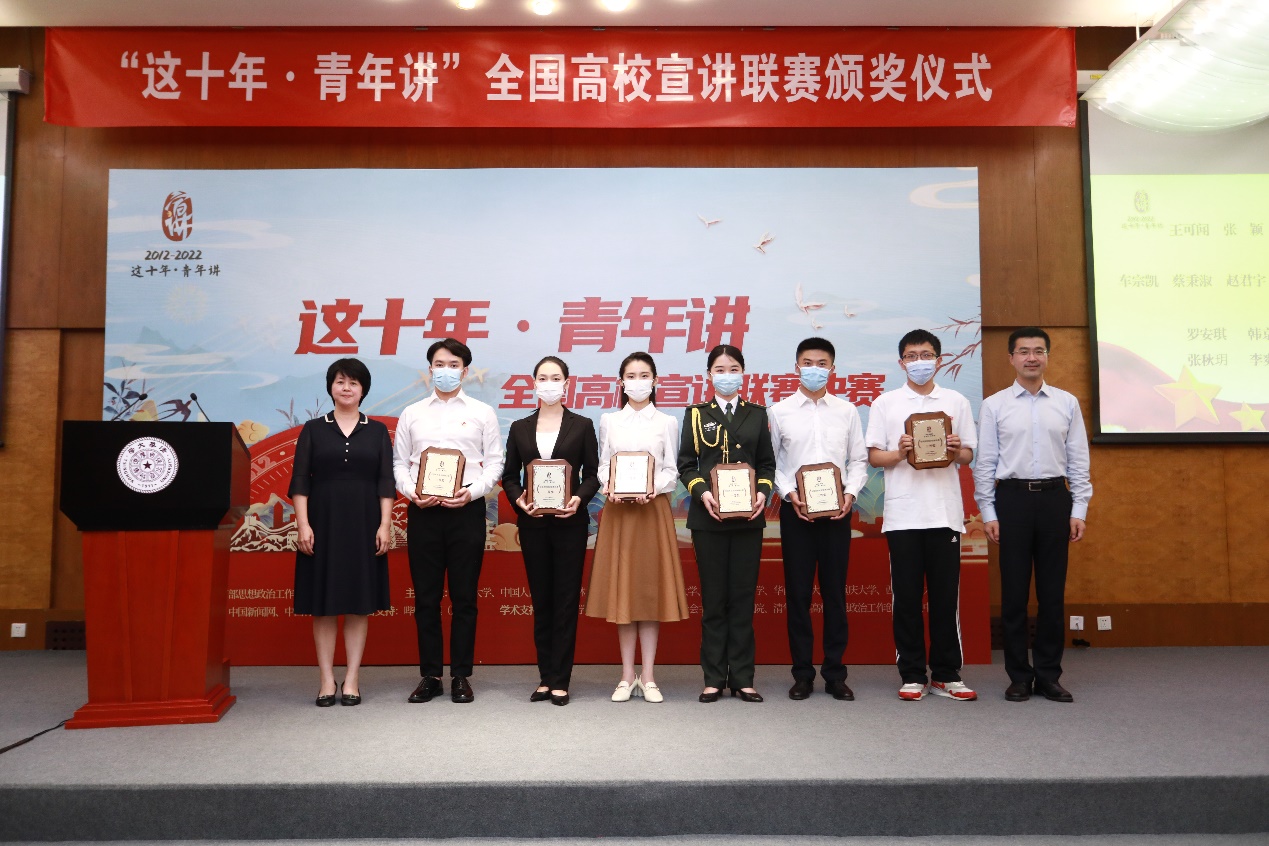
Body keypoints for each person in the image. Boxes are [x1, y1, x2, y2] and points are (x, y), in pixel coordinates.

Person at [973, 327, 1092, 703]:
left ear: (1047, 357)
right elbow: (985, 463)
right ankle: (1019, 677)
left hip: (1056, 500)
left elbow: (1078, 460)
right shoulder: (994, 405)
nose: (1031, 357)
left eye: (1039, 351)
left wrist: (1079, 508)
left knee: (1052, 595)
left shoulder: (1066, 403)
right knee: (1013, 596)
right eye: (1023, 351)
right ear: (1011, 358)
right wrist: (988, 512)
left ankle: (1049, 675)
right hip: (1012, 501)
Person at [866, 329, 978, 702]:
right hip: (903, 516)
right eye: (912, 356)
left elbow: (968, 455)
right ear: (901, 363)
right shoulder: (886, 403)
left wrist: (956, 448)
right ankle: (913, 674)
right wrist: (899, 452)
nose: (919, 362)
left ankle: (946, 675)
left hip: (945, 514)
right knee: (907, 599)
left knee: (946, 599)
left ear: (939, 360)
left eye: (926, 355)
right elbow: (875, 457)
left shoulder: (956, 401)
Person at [393, 338, 504, 704]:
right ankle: (430, 675)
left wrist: (471, 493)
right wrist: (412, 492)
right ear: (430, 370)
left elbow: (494, 463)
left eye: (453, 365)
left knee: (464, 597)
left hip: (466, 512)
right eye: (439, 364)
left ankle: (460, 675)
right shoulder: (411, 413)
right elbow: (399, 464)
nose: (446, 371)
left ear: (465, 371)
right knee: (426, 598)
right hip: (424, 512)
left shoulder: (482, 412)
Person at [288, 358, 394, 707]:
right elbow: (300, 481)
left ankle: (352, 678)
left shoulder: (377, 431)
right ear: (330, 387)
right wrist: (303, 524)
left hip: (364, 522)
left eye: (353, 383)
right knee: (324, 605)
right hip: (322, 523)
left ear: (363, 390)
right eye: (340, 381)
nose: (346, 388)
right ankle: (325, 679)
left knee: (358, 604)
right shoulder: (313, 429)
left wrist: (384, 524)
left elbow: (385, 482)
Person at [584, 351, 689, 703]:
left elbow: (671, 470)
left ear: (655, 381)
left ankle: (649, 676)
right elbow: (602, 466)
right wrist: (609, 486)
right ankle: (626, 675)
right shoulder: (609, 421)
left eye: (644, 375)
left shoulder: (667, 422)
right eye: (631, 375)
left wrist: (651, 488)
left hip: (651, 510)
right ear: (621, 382)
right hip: (618, 511)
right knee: (624, 590)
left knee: (649, 590)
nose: (638, 381)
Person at [769, 337, 869, 702]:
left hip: (837, 511)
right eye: (808, 363)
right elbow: (772, 463)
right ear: (796, 367)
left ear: (832, 369)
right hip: (796, 511)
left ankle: (835, 673)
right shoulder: (779, 411)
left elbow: (859, 460)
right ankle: (802, 674)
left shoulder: (846, 411)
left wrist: (850, 493)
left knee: (834, 595)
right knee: (798, 595)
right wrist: (788, 494)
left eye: (822, 363)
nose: (815, 369)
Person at [678, 345, 776, 703]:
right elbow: (686, 464)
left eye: (733, 368)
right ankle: (714, 678)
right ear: (709, 375)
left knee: (743, 598)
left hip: (748, 518)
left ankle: (744, 677)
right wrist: (702, 492)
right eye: (720, 369)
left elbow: (766, 464)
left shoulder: (757, 414)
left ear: (743, 373)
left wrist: (763, 493)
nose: (727, 375)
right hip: (709, 517)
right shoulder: (695, 414)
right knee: (714, 600)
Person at [501, 356, 600, 706]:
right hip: (533, 524)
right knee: (542, 601)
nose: (549, 384)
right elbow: (509, 475)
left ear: (566, 384)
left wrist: (578, 499)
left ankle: (561, 679)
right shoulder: (520, 427)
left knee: (566, 601)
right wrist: (519, 500)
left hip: (570, 523)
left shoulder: (582, 425)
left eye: (555, 378)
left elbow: (593, 474)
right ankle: (545, 677)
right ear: (534, 384)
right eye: (543, 378)